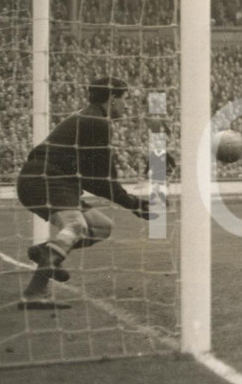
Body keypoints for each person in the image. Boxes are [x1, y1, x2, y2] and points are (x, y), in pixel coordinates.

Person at [16, 77, 156, 304]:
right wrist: (133, 203)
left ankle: (44, 253)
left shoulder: (88, 118)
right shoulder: (96, 122)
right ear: (112, 98)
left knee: (101, 227)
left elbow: (93, 180)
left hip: (52, 180)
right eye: (125, 99)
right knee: (75, 225)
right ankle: (33, 293)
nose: (127, 106)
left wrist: (132, 203)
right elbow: (101, 180)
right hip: (45, 178)